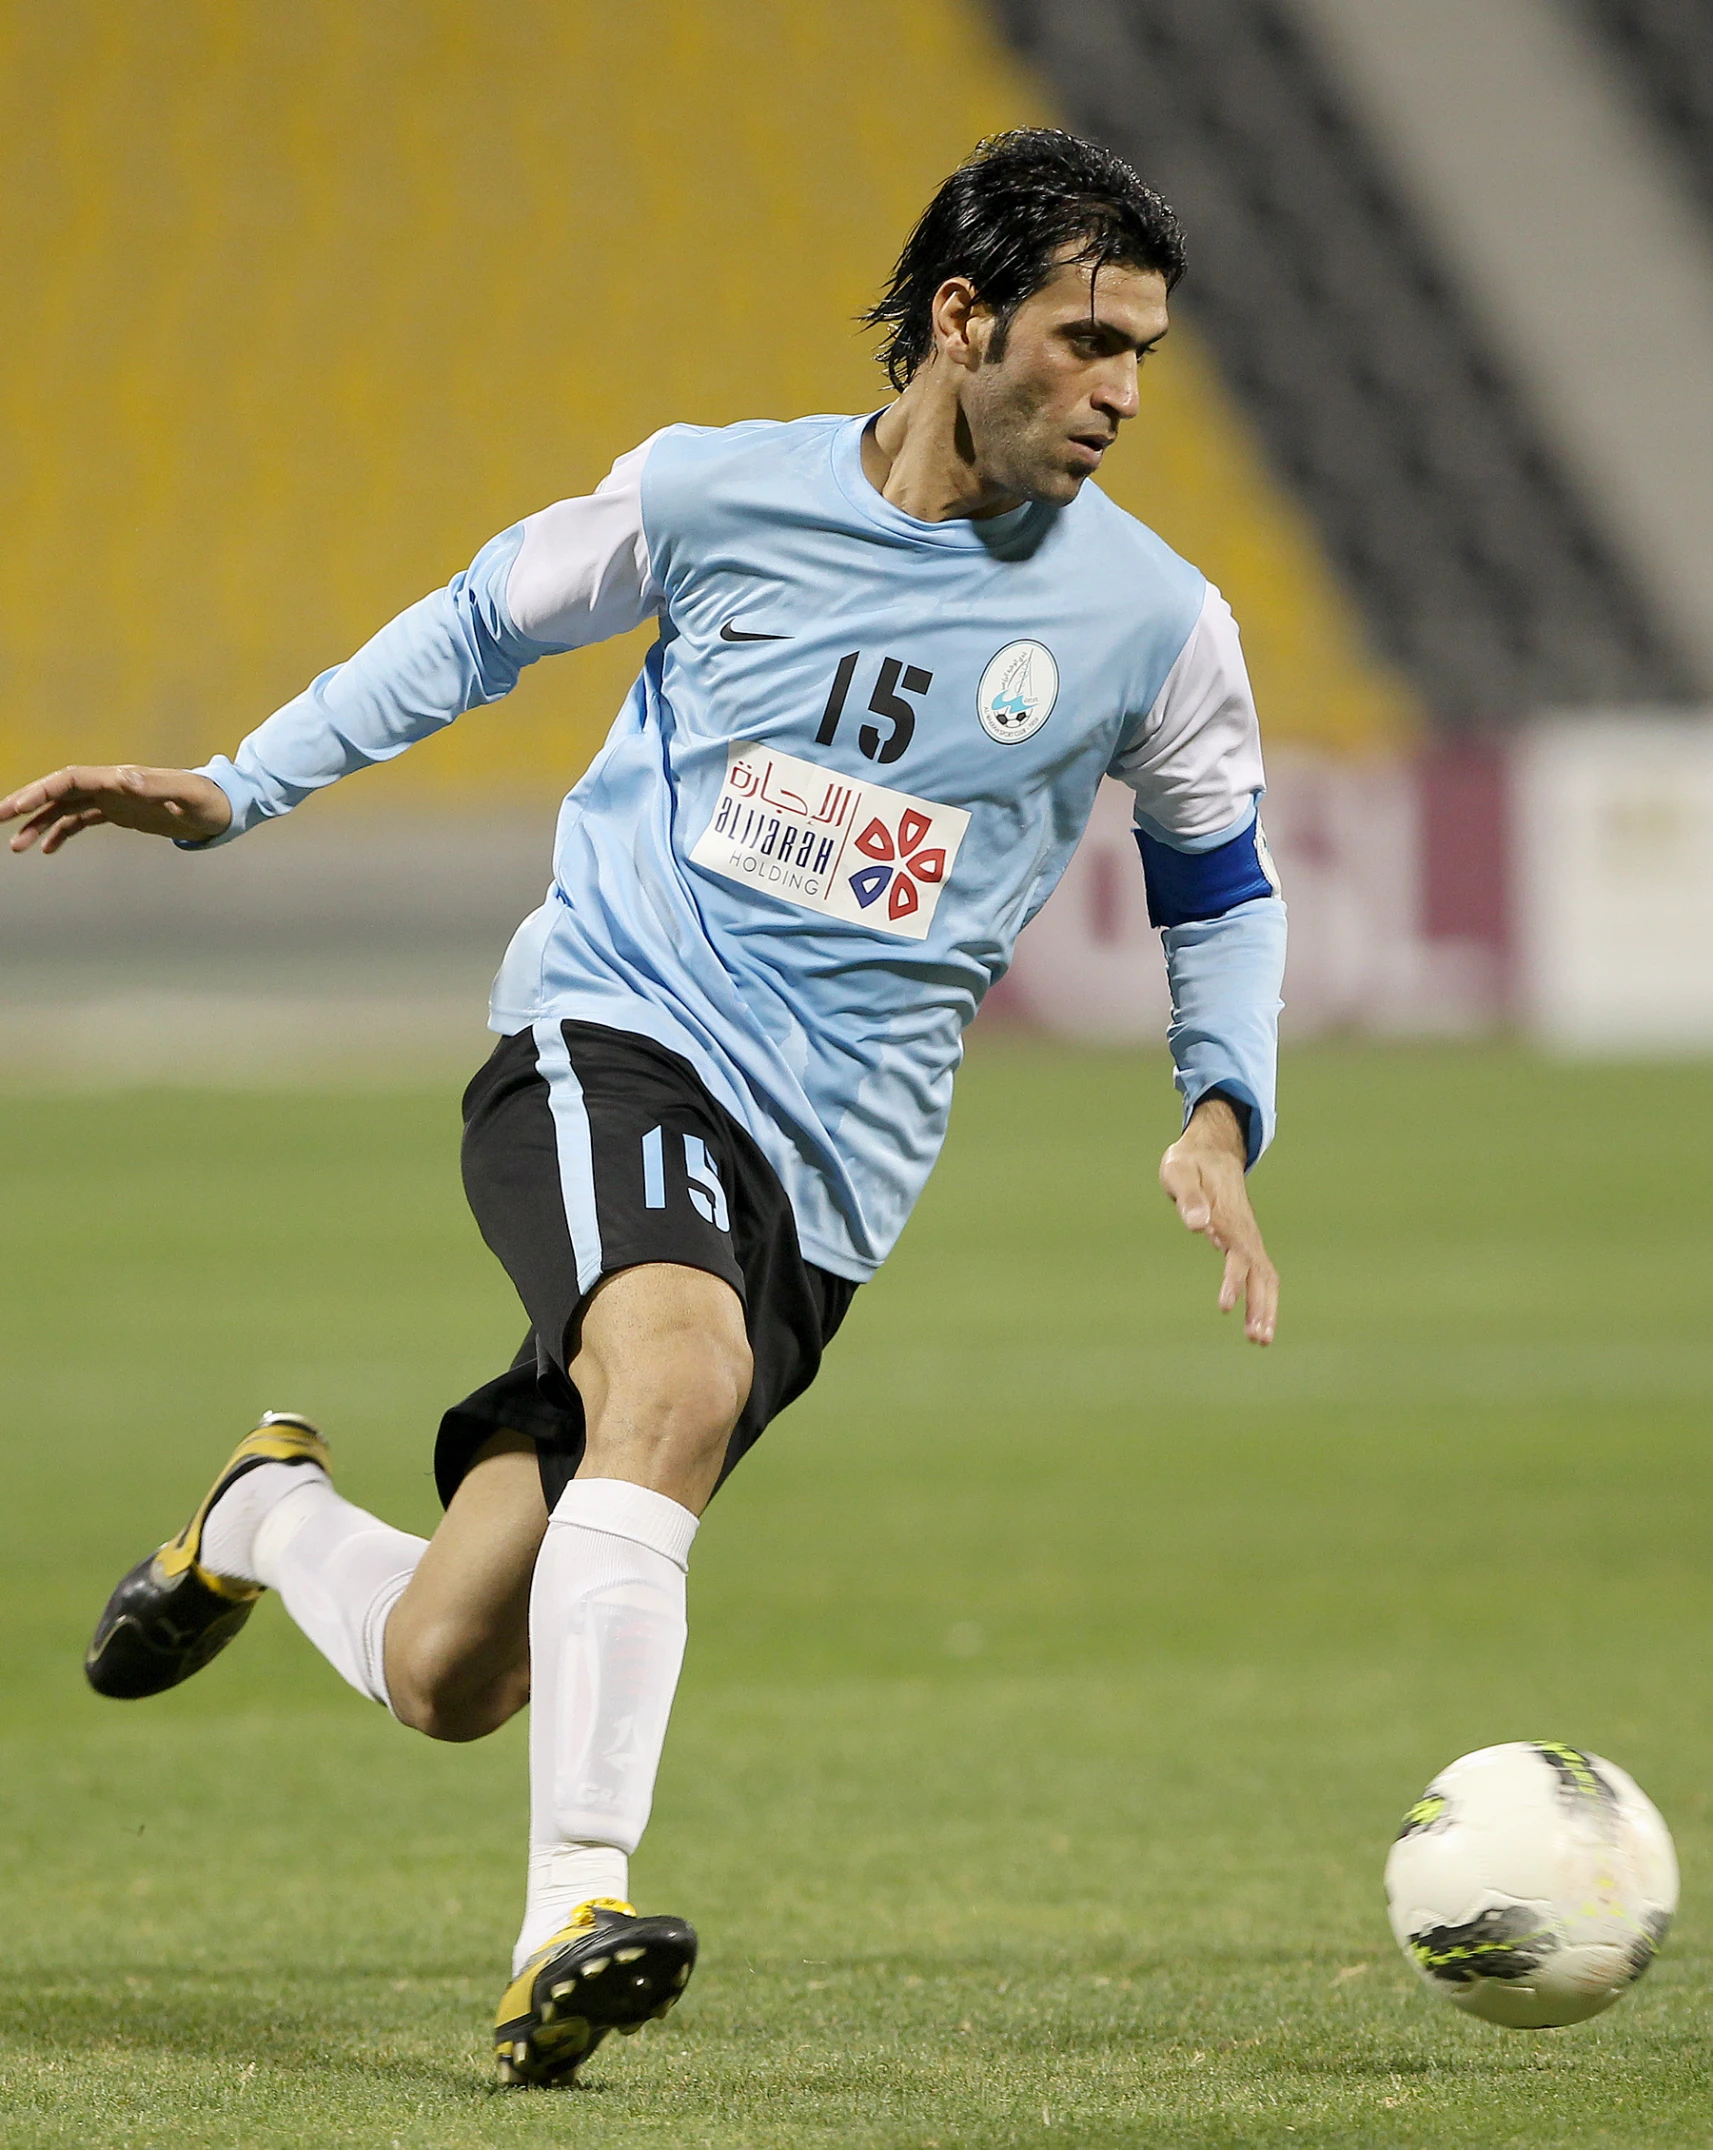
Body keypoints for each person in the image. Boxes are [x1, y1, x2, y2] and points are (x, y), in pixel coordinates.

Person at [0, 128, 1284, 2089]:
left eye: (1143, 354)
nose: (1118, 391)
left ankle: (258, 1518)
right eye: (1083, 338)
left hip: (835, 1178)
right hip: (615, 1030)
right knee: (669, 1381)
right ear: (959, 320)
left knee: (456, 1671)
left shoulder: (1156, 622)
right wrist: (236, 781)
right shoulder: (710, 491)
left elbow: (1216, 876)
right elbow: (478, 622)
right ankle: (569, 1917)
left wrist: (1220, 1106)